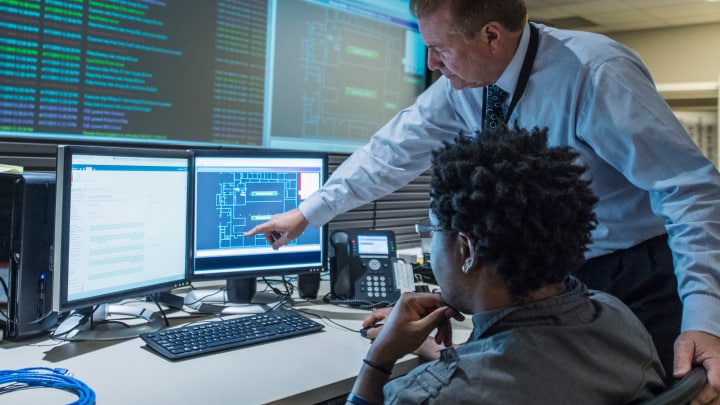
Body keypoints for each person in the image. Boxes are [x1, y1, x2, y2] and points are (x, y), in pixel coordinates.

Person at [244, 0, 720, 400]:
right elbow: (390, 152)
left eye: (438, 48)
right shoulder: (465, 85)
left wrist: (705, 317)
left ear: (492, 35)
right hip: (553, 285)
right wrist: (308, 213)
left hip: (634, 277)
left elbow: (689, 188)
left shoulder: (596, 73)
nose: (431, 63)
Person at [346, 126, 666, 404]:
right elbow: (529, 363)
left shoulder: (429, 396)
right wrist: (435, 350)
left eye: (432, 231)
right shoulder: (617, 317)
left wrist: (379, 360)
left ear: (467, 249)